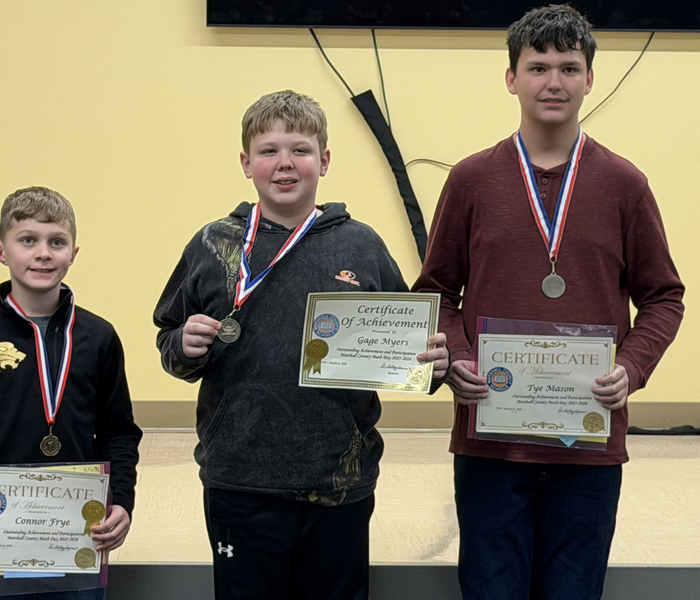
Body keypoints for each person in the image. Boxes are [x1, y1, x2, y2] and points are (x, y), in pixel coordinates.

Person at [413, 5, 685, 599]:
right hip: (491, 442)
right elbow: (435, 292)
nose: (554, 82)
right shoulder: (470, 179)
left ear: (591, 78)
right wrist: (457, 359)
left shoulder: (625, 184)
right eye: (537, 67)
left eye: (569, 67)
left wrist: (631, 368)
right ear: (510, 78)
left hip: (587, 445)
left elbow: (664, 297)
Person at [153, 90, 450, 599]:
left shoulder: (361, 244)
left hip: (339, 481)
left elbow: (410, 349)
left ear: (325, 160)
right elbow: (169, 342)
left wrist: (433, 366)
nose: (284, 163)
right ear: (246, 163)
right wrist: (185, 343)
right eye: (268, 150)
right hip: (239, 478)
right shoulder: (212, 245)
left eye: (301, 150)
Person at [0, 186, 143, 600]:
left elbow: (119, 433)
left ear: (73, 253)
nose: (43, 253)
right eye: (28, 240)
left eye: (56, 242)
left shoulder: (99, 337)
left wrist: (122, 502)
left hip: (77, 537)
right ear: (1, 251)